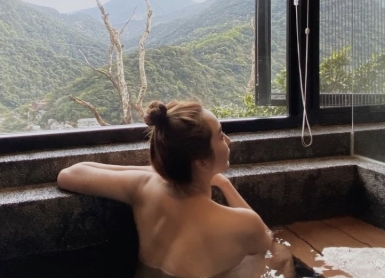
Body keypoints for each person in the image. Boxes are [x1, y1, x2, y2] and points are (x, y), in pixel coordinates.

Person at [57, 100, 296, 278]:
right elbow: (268, 243)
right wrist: (226, 186)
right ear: (201, 163)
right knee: (281, 255)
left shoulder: (144, 187)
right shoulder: (243, 223)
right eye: (220, 136)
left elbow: (70, 174)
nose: (228, 141)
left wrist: (162, 169)